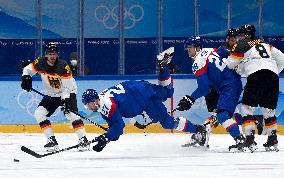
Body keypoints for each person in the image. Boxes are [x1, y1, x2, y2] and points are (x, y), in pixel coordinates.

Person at [81, 47, 209, 152]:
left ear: (94, 101)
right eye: (87, 106)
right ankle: (163, 67)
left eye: (89, 105)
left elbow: (119, 126)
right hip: (138, 88)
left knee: (167, 122)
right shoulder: (102, 100)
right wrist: (108, 136)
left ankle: (198, 130)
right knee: (167, 92)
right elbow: (116, 127)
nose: (89, 108)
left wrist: (106, 138)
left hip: (142, 97)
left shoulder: (106, 105)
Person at [177, 36, 245, 151]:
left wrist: (191, 98)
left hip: (228, 87)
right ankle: (250, 122)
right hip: (231, 84)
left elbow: (204, 88)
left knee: (222, 115)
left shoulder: (198, 63)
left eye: (191, 47)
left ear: (197, 48)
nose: (188, 50)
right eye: (187, 48)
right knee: (225, 112)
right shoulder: (210, 50)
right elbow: (227, 53)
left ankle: (241, 140)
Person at [225, 24, 284, 152]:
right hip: (273, 76)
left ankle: (250, 141)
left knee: (246, 108)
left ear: (247, 35)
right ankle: (272, 141)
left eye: (240, 35)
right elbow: (282, 59)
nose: (238, 38)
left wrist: (237, 66)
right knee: (269, 110)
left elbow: (229, 64)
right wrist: (273, 71)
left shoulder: (241, 45)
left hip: (256, 75)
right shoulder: (265, 44)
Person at [21, 42, 89, 152]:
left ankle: (83, 140)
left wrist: (66, 101)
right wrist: (26, 78)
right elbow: (27, 69)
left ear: (58, 55)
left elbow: (67, 87)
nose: (52, 56)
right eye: (50, 53)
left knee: (71, 114)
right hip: (51, 94)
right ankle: (51, 140)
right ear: (46, 54)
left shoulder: (63, 66)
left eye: (54, 54)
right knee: (39, 113)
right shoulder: (40, 62)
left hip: (68, 92)